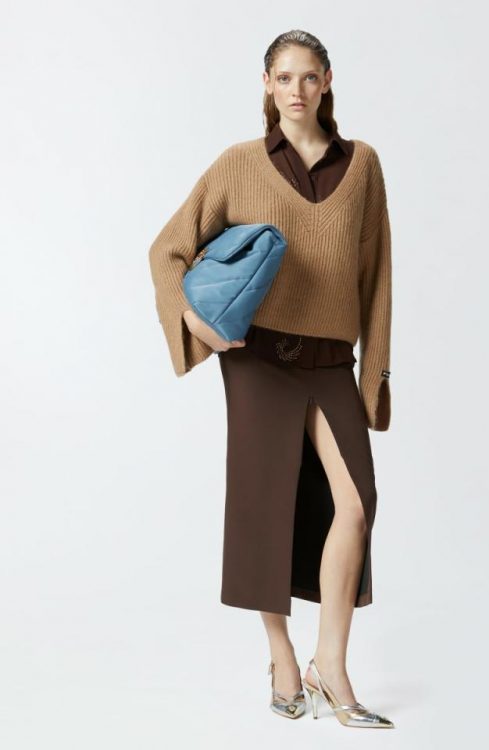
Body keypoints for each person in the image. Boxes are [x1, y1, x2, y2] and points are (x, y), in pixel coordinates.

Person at [148, 29, 394, 728]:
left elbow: (377, 278)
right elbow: (167, 250)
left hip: (330, 360)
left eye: (308, 77)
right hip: (257, 360)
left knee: (356, 504)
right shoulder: (239, 165)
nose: (296, 90)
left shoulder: (363, 165)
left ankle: (330, 666)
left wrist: (374, 375)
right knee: (267, 508)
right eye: (283, 78)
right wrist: (197, 326)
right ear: (266, 84)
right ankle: (283, 657)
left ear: (327, 81)